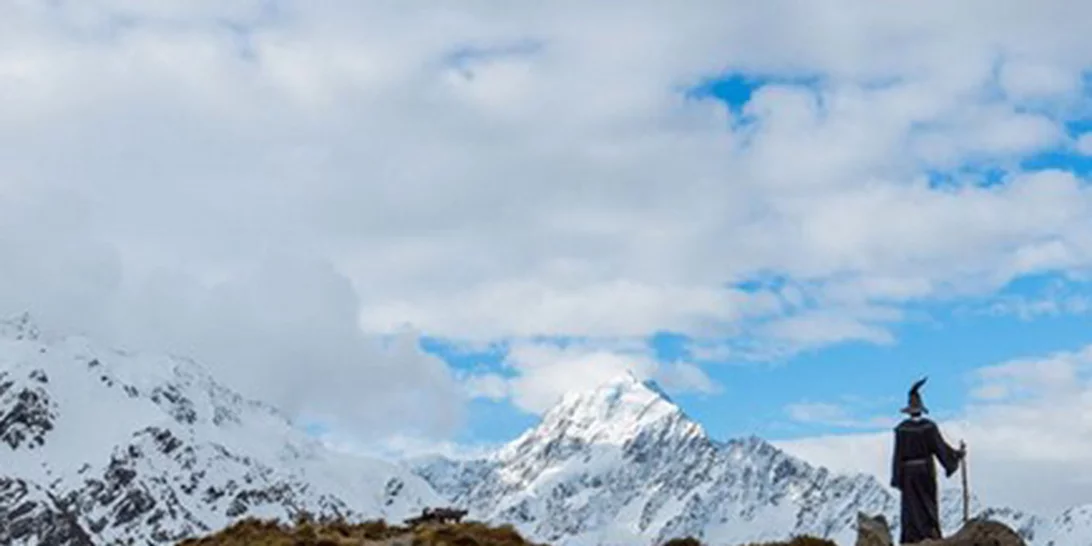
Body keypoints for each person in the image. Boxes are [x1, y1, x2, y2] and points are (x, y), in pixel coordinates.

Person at [890, 377, 966, 544]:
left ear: (909, 410)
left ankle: (911, 538)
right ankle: (929, 535)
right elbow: (940, 448)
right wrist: (956, 455)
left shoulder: (901, 429)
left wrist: (897, 477)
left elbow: (897, 455)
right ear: (921, 409)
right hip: (925, 471)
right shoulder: (929, 427)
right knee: (927, 504)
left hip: (908, 474)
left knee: (910, 506)